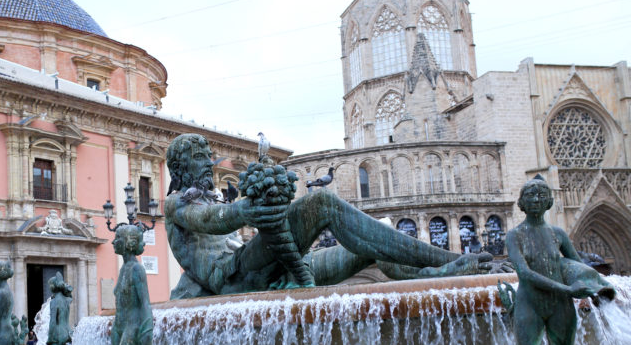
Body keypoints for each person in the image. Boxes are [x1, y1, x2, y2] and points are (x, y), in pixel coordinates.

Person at [164, 133, 500, 299]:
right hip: (238, 278)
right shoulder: (177, 204)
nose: (209, 163)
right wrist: (249, 207)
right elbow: (215, 220)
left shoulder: (207, 196)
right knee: (320, 202)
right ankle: (450, 257)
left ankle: (437, 273)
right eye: (199, 156)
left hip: (274, 268)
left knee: (367, 247)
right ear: (180, 166)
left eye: (209, 155)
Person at [505, 176, 615, 345]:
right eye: (530, 196)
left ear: (549, 202)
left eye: (541, 195)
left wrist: (594, 285)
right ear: (521, 203)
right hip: (529, 303)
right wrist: (568, 290)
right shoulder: (515, 235)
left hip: (560, 307)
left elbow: (576, 266)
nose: (536, 199)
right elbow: (525, 274)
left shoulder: (558, 234)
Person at [112, 224, 168, 345]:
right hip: (121, 327)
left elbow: (145, 303)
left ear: (128, 243)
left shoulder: (137, 269)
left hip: (134, 327)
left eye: (118, 238)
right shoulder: (124, 269)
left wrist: (146, 330)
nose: (113, 241)